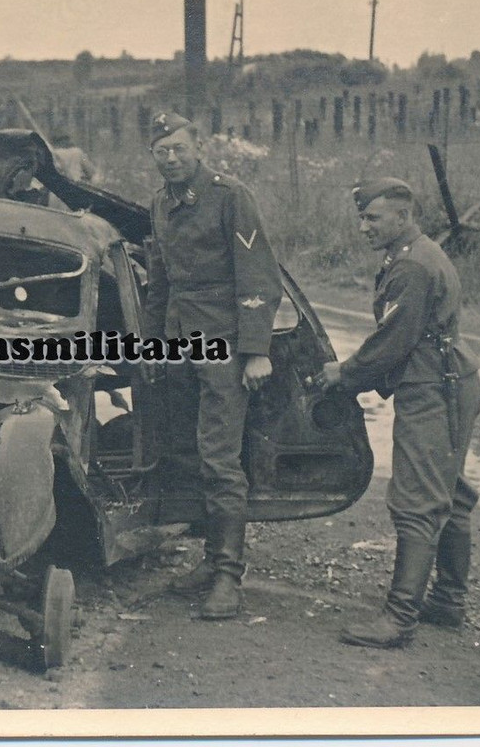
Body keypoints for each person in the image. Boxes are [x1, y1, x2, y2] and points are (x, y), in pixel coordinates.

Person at [317, 178, 480, 649]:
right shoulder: (415, 253)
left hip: (435, 388)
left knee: (415, 501)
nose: (363, 226)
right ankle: (448, 602)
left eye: (372, 218)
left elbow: (393, 342)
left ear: (402, 216)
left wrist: (344, 374)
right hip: (447, 380)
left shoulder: (412, 265)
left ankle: (399, 617)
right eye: (362, 217)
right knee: (449, 492)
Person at [143, 112, 282, 620]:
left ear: (197, 146)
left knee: (221, 459)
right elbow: (160, 282)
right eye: (162, 150)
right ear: (153, 155)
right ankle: (210, 559)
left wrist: (257, 350)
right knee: (191, 453)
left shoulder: (230, 197)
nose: (172, 157)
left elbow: (258, 277)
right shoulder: (159, 203)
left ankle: (228, 575)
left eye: (179, 147)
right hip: (182, 343)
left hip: (223, 343)